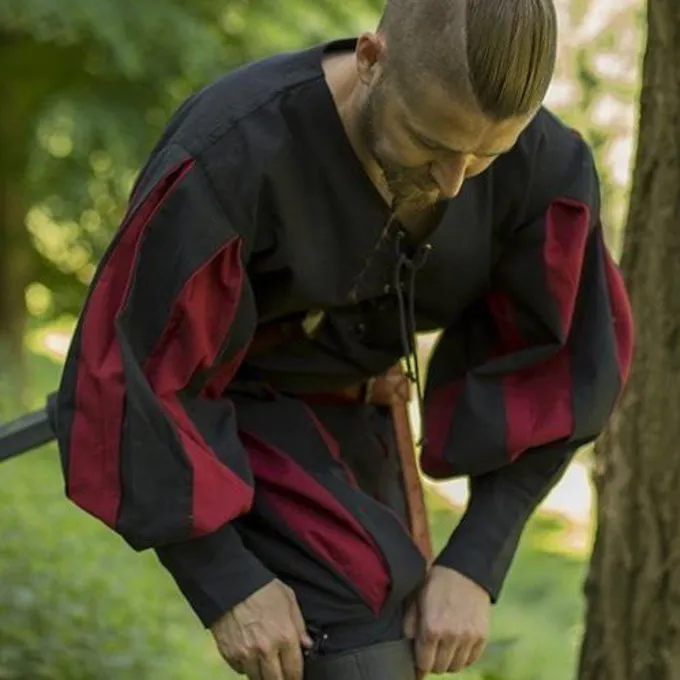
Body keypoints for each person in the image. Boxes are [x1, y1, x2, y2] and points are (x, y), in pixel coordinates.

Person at [51, 0, 634, 678]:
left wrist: (477, 560)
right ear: (370, 59)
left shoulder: (546, 168)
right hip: (229, 408)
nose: (452, 183)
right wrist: (225, 580)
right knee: (358, 652)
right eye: (431, 143)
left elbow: (559, 370)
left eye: (484, 156)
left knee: (391, 614)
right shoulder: (231, 152)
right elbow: (133, 373)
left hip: (366, 409)